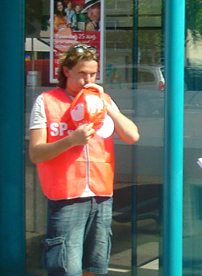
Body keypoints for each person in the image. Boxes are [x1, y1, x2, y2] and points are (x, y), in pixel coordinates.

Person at [29, 43, 140, 276]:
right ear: (67, 71)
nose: (88, 79)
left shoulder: (101, 100)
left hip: (100, 195)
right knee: (66, 267)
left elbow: (132, 136)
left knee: (96, 266)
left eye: (92, 74)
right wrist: (71, 140)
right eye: (82, 73)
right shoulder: (47, 101)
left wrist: (107, 106)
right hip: (67, 195)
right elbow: (36, 153)